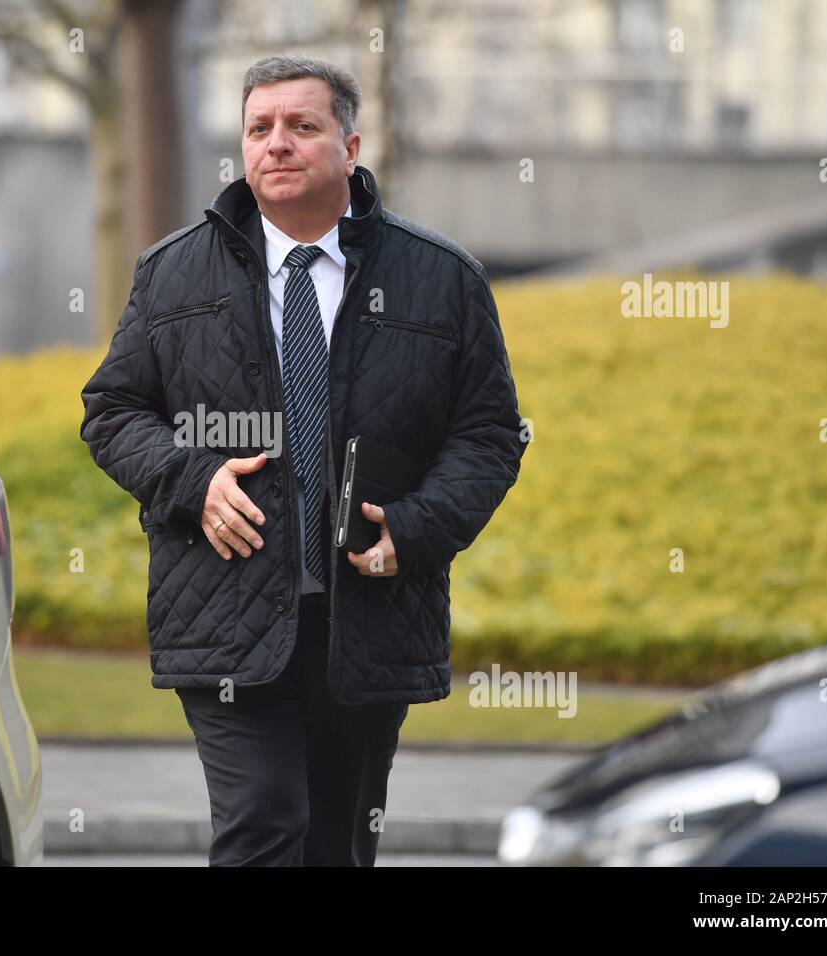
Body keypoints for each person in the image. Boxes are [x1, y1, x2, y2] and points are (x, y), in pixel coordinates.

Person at [80, 53, 526, 866]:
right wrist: (192, 480)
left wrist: (419, 530)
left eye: (301, 126)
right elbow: (112, 411)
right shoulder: (173, 272)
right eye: (259, 128)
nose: (276, 144)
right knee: (262, 825)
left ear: (351, 146)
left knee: (340, 846)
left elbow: (489, 434)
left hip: (370, 617)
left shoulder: (441, 279)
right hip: (224, 610)